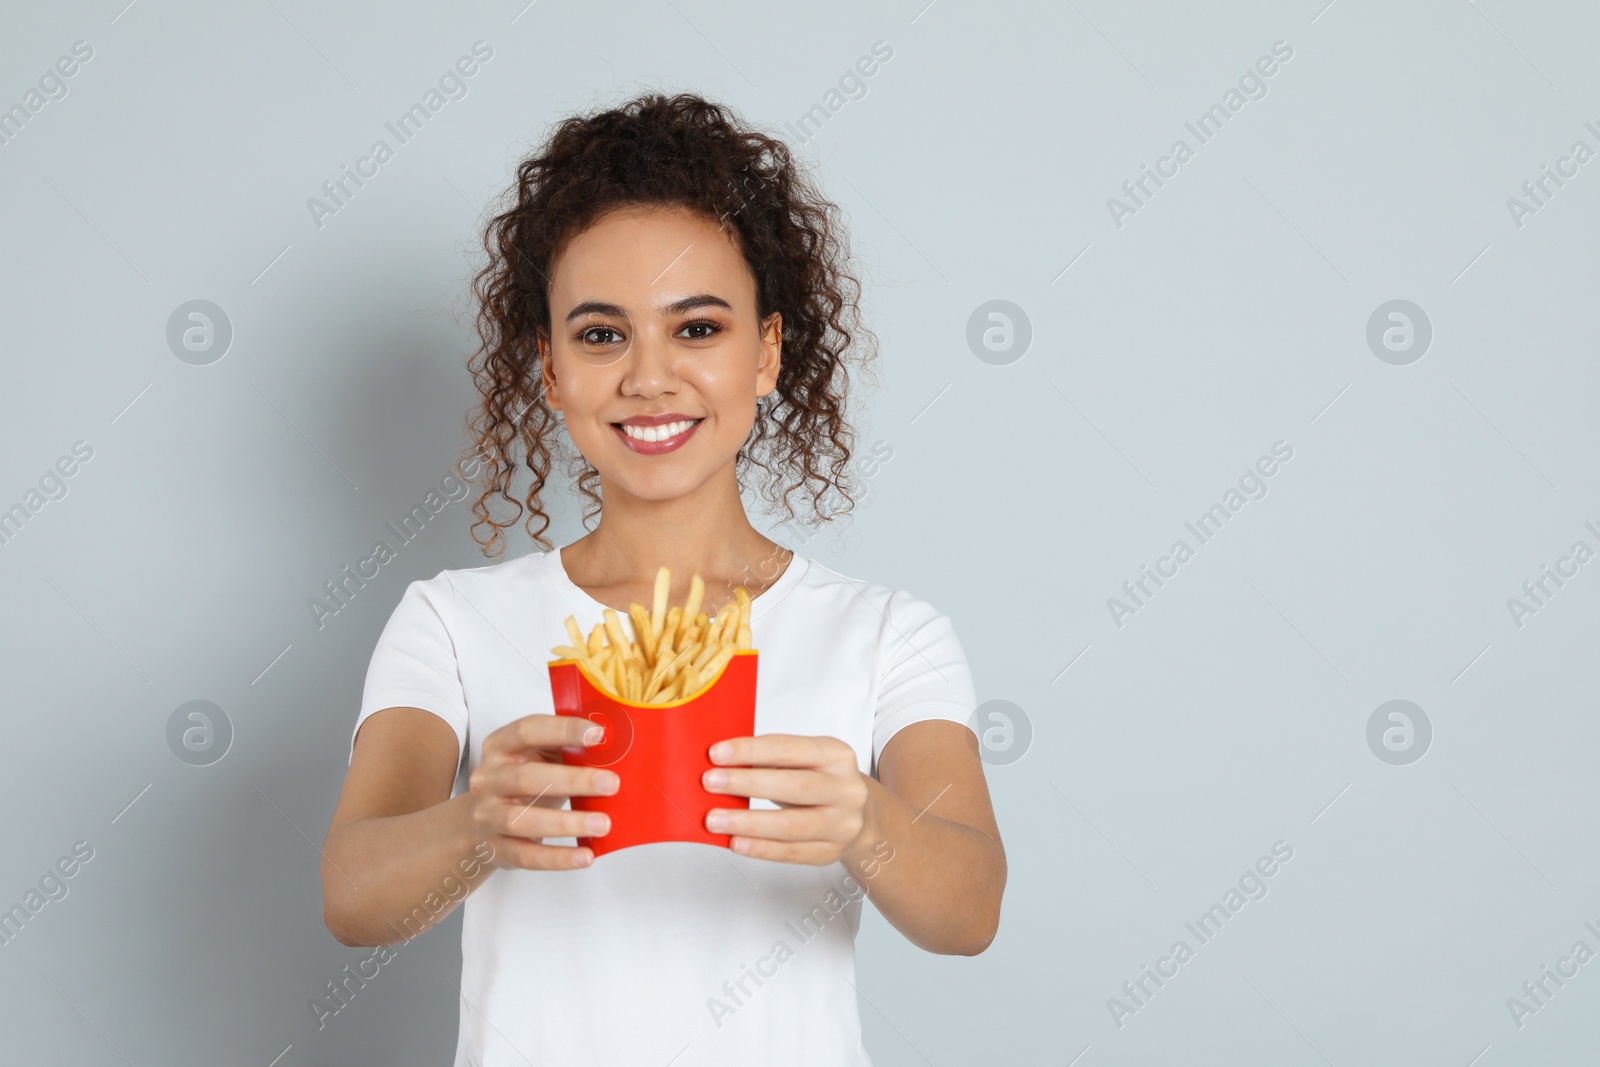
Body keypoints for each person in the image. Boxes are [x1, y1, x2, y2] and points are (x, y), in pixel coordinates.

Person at [320, 91, 1005, 1067]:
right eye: (601, 334)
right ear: (550, 368)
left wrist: (866, 818)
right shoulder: (454, 619)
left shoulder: (886, 632)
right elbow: (353, 898)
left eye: (697, 329)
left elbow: (968, 909)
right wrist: (478, 823)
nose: (649, 378)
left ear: (766, 351)